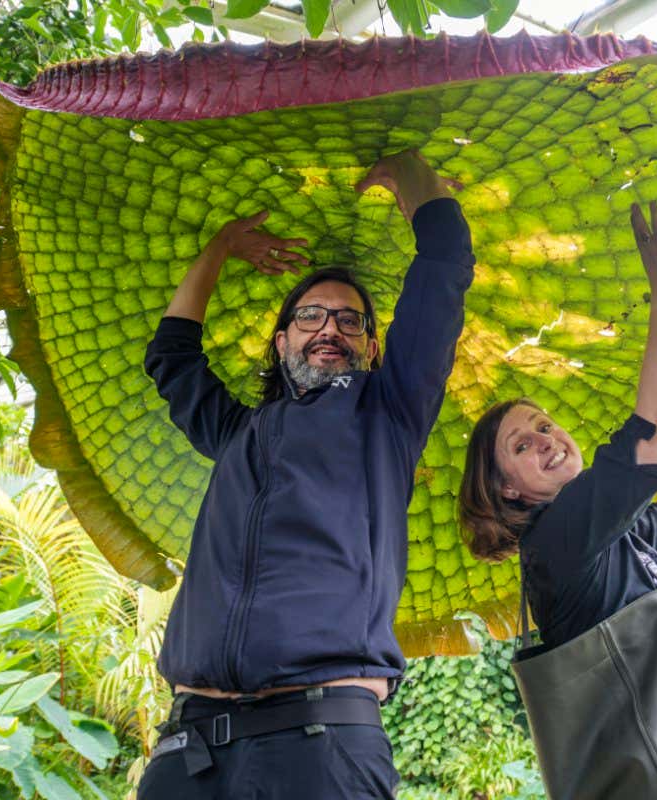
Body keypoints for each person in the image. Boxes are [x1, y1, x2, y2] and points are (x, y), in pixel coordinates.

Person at [138, 149, 474, 799]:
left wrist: (411, 175)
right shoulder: (237, 434)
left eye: (350, 319)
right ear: (282, 342)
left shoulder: (390, 415)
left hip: (318, 751)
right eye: (310, 316)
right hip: (188, 753)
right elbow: (171, 356)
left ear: (373, 348)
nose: (330, 327)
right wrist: (222, 245)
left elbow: (444, 265)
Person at [458, 202, 657, 800]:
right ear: (508, 491)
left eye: (545, 425)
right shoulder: (558, 540)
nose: (547, 440)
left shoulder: (608, 534)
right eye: (523, 444)